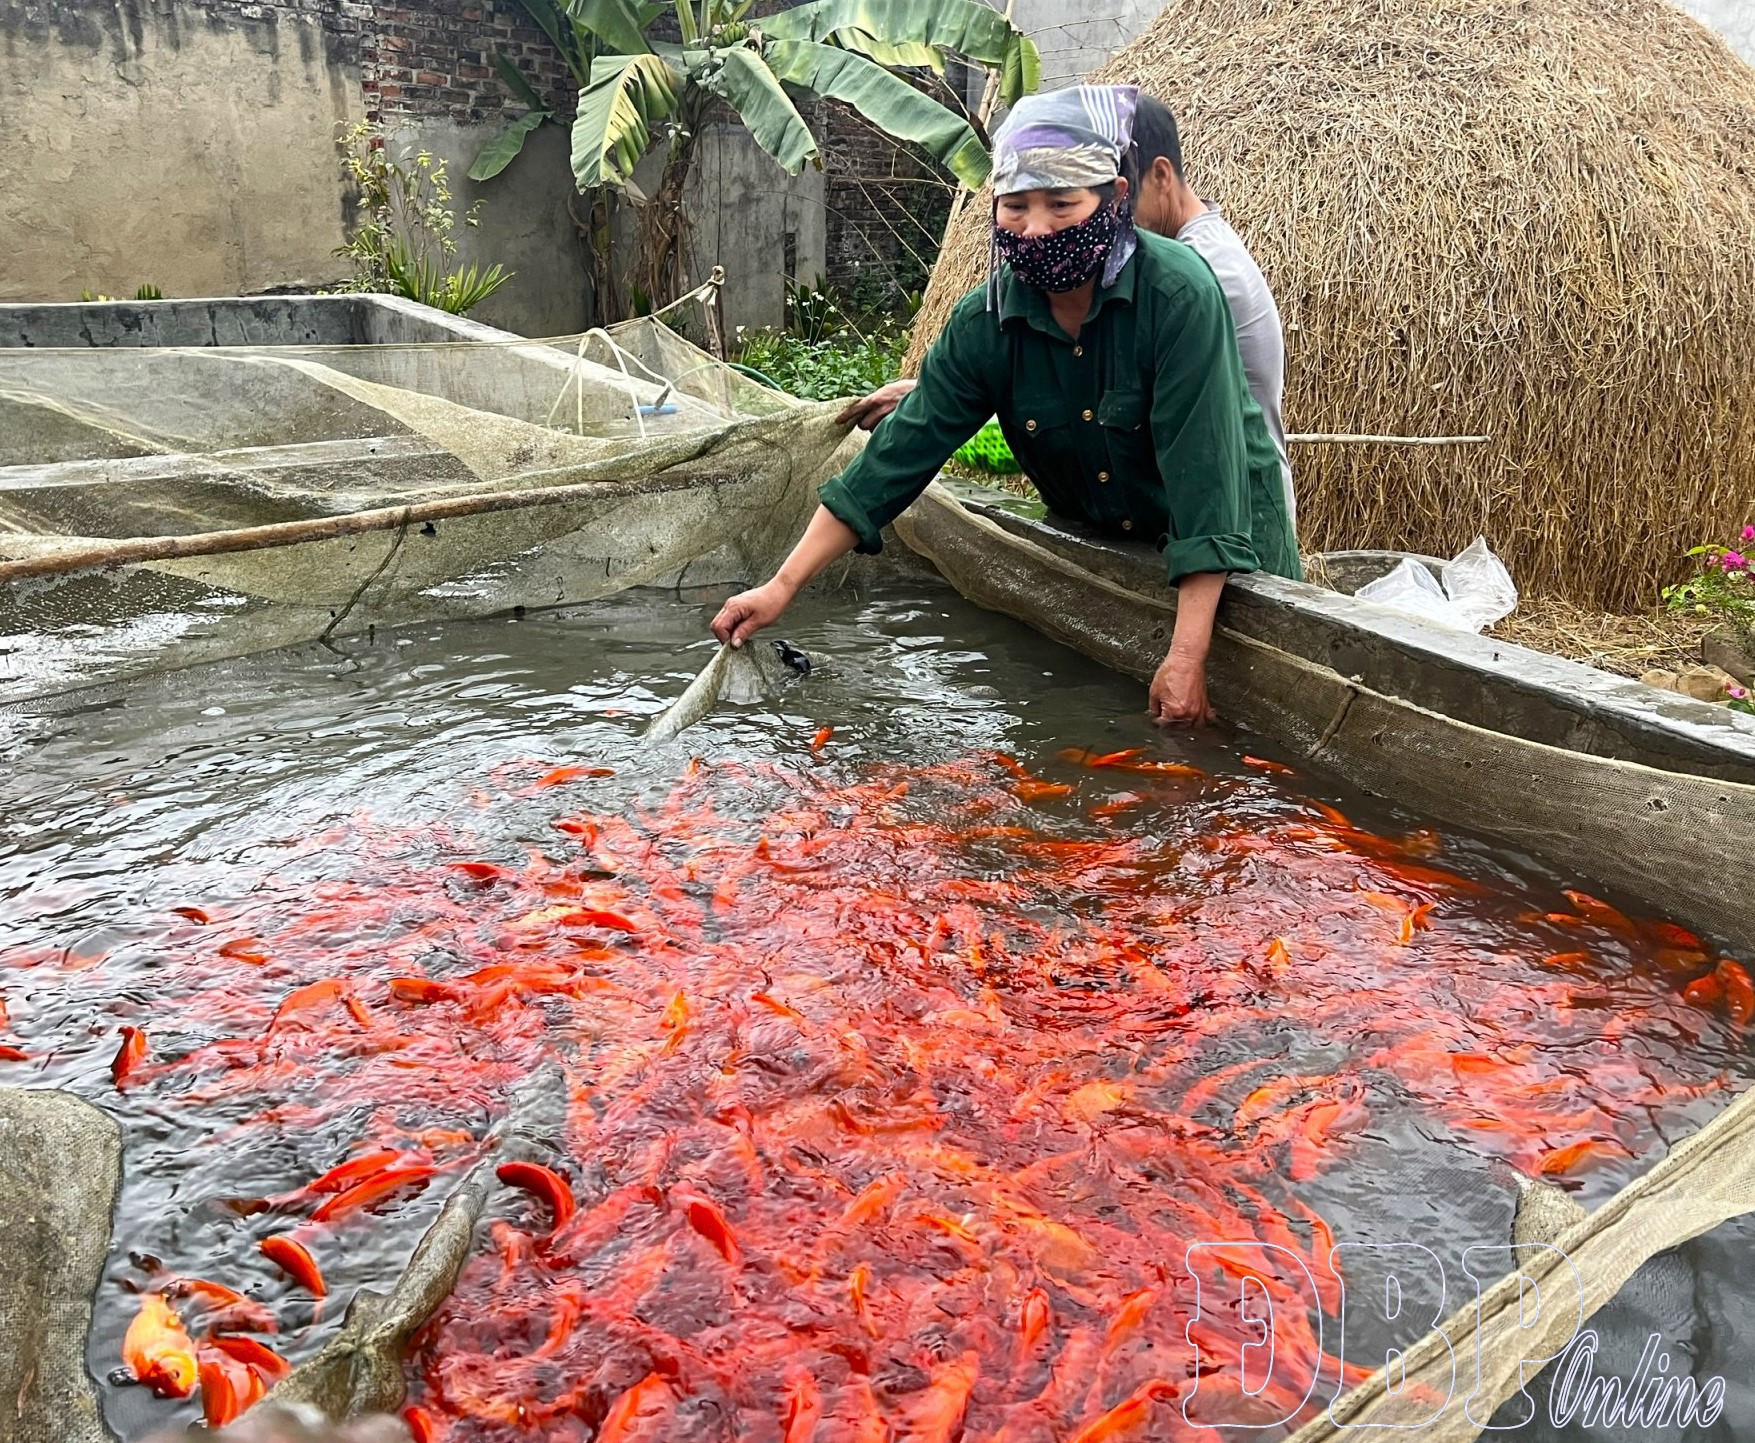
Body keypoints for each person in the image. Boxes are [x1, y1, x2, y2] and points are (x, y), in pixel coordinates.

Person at [712, 84, 1299, 726]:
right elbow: (897, 458)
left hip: (1228, 557)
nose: (1036, 228)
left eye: (1061, 204)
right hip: (1101, 544)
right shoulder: (986, 322)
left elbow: (1206, 483)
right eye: (1015, 206)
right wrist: (782, 585)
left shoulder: (1180, 294)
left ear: (1116, 198)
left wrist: (1187, 654)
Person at [839, 95, 1296, 527]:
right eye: (1018, 205)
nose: (1109, 221)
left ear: (1151, 179)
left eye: (1070, 202)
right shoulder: (1110, 278)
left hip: (1227, 510)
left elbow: (1150, 418)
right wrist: (933, 395)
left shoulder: (1195, 280)